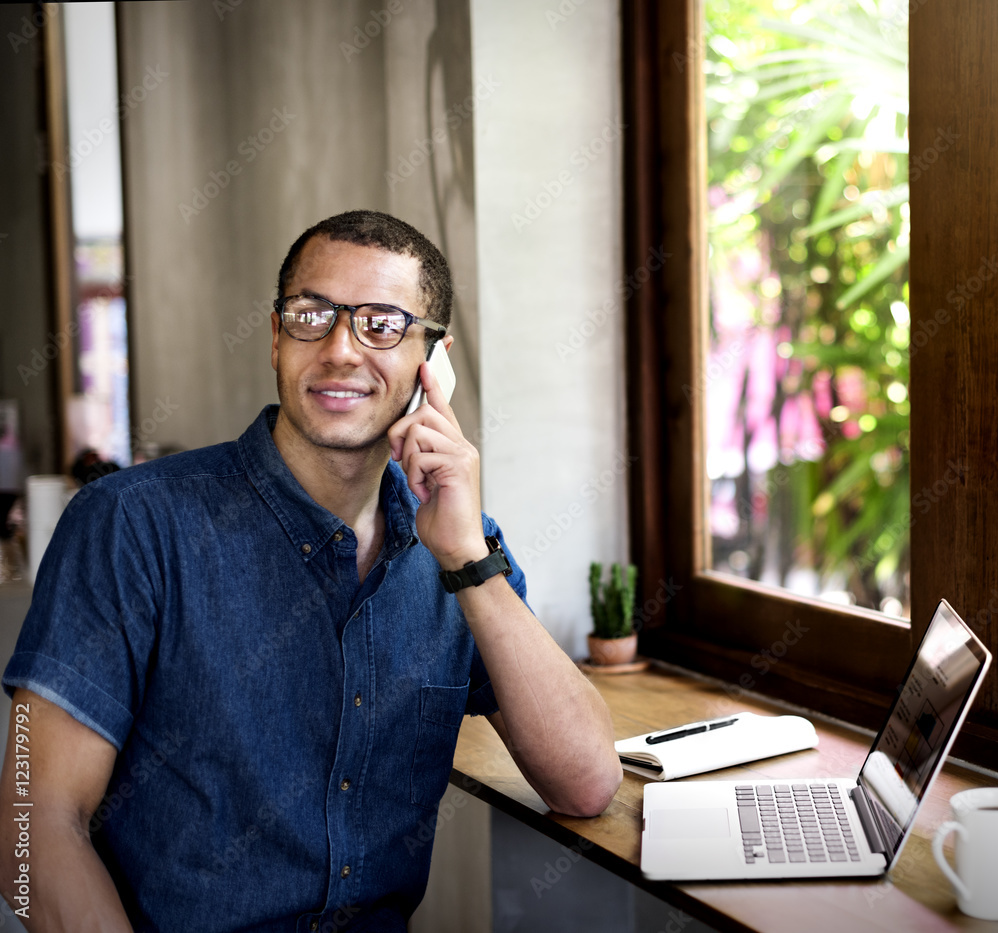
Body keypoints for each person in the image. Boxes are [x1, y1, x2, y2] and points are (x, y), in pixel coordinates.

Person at [0, 210, 622, 932]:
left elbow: (587, 781)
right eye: (311, 314)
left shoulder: (461, 548)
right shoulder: (128, 523)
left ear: (435, 362)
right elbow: (27, 826)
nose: (339, 349)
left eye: (382, 324)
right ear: (274, 337)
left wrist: (466, 560)